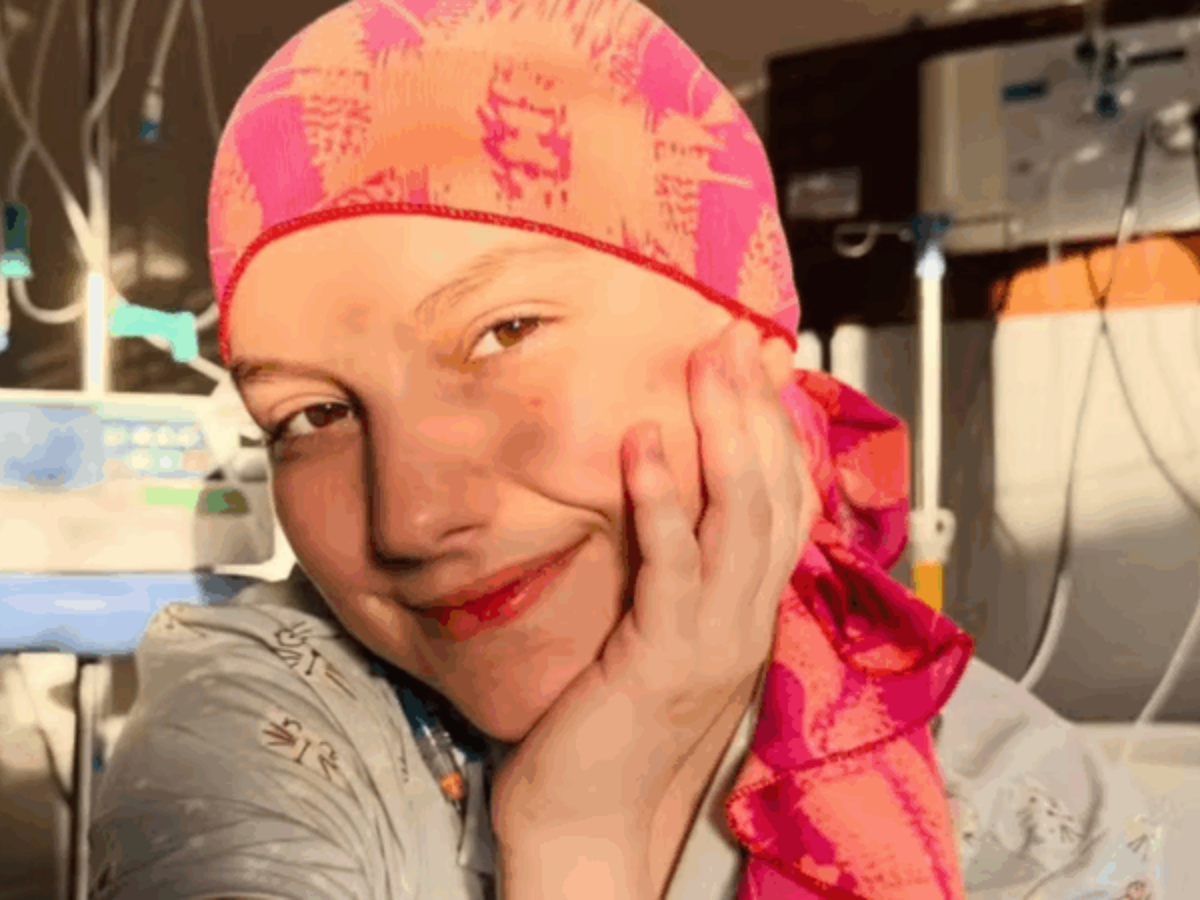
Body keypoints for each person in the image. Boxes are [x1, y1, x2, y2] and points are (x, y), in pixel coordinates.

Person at [89, 1, 976, 898]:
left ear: (747, 338)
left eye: (504, 333)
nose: (411, 520)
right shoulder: (258, 734)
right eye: (313, 416)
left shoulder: (1021, 812)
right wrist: (583, 840)